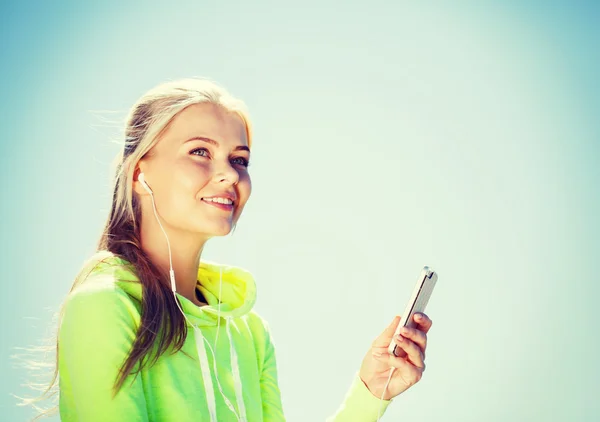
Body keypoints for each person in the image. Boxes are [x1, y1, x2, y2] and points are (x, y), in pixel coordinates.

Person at [26, 77, 433, 421]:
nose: (228, 174)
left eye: (239, 159)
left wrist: (371, 390)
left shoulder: (249, 332)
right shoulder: (104, 305)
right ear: (139, 171)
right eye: (200, 152)